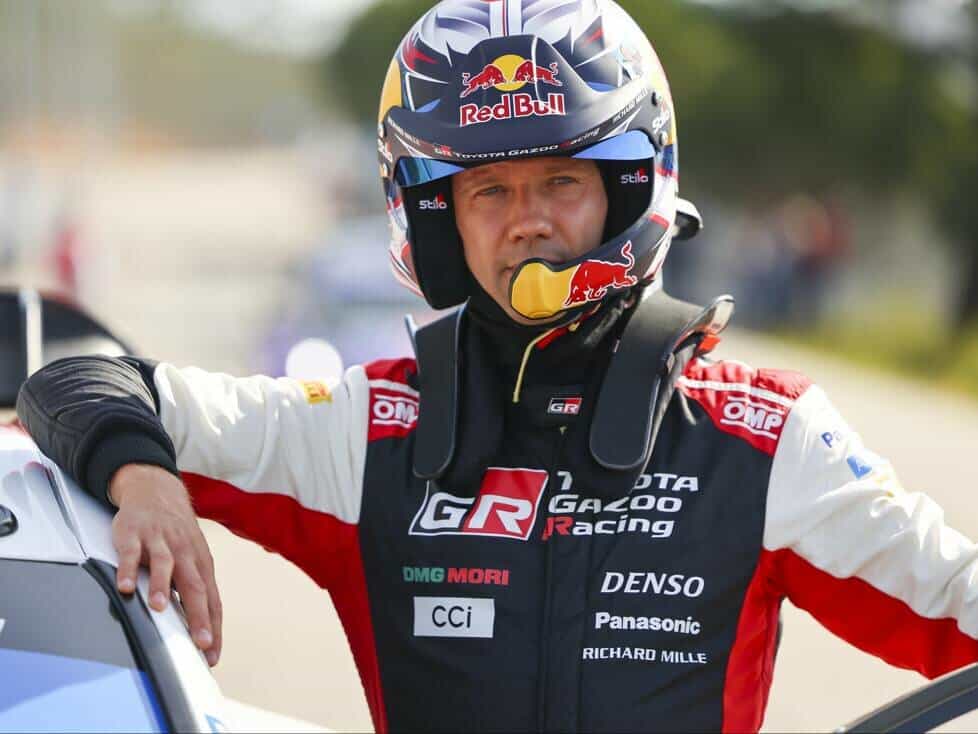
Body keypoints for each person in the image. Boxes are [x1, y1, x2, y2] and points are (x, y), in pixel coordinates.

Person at [15, 2, 978, 732]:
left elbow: (957, 602)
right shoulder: (363, 431)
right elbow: (68, 374)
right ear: (439, 219)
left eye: (561, 179)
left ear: (629, 187)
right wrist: (142, 474)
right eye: (489, 190)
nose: (528, 220)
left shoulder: (767, 441)